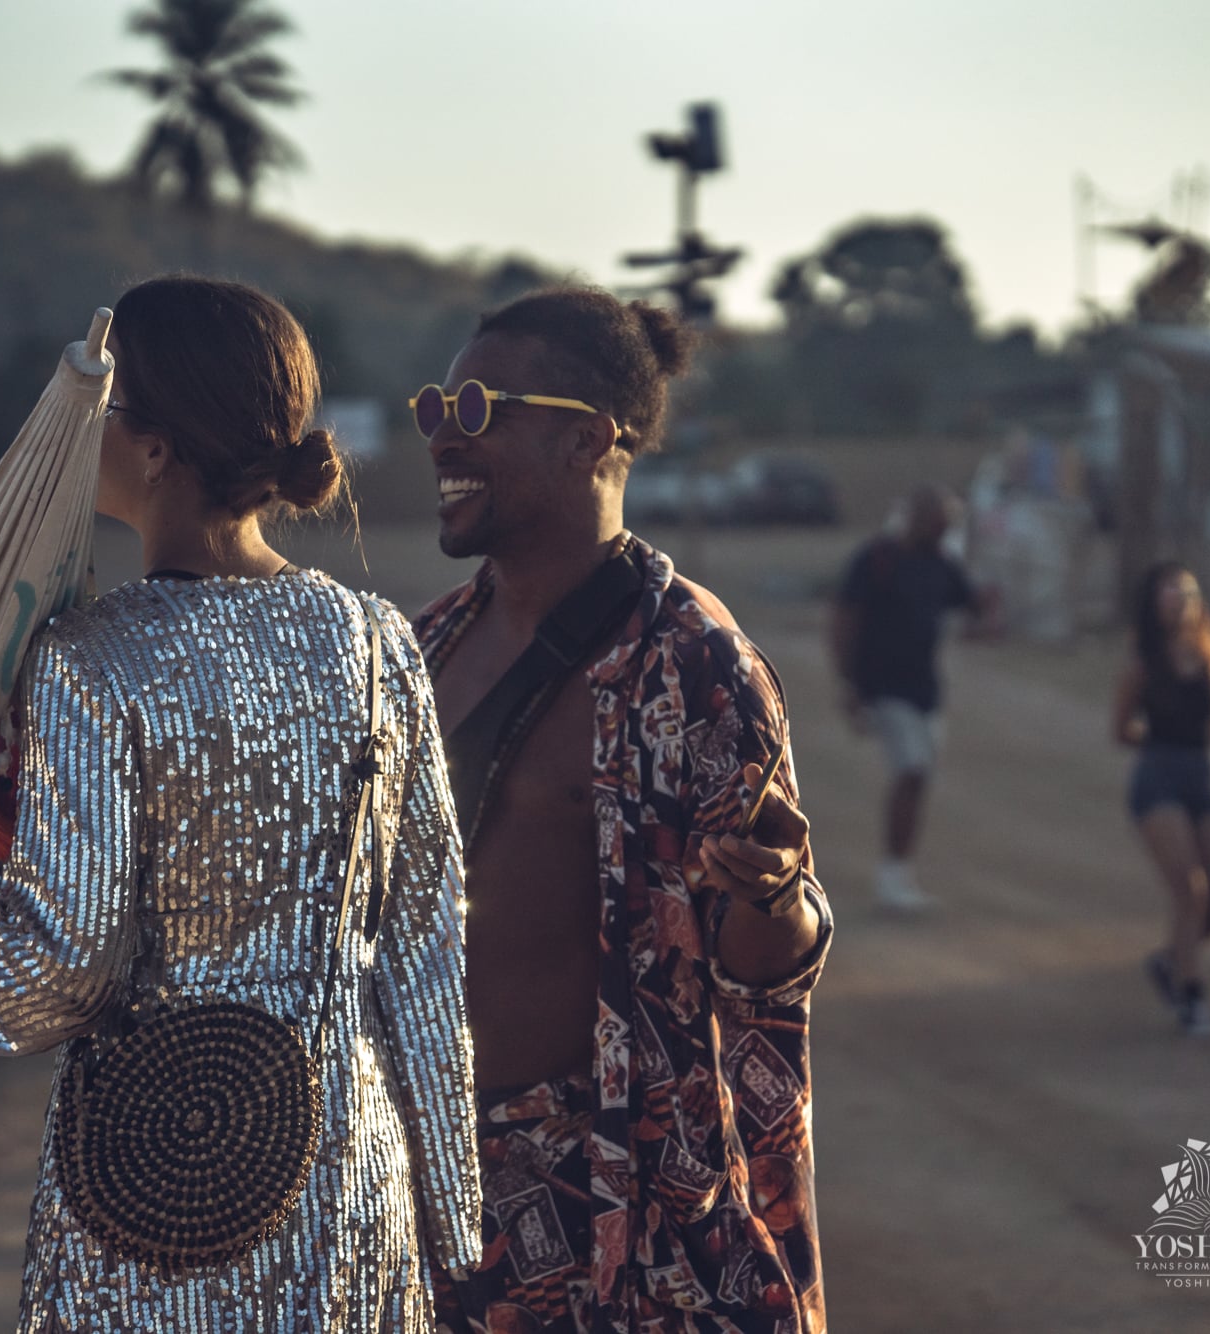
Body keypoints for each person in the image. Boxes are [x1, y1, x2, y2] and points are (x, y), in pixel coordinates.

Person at [0, 276, 481, 1330]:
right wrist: (455, 1225)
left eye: (102, 411)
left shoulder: (89, 660)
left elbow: (59, 964)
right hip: (353, 1176)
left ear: (154, 448)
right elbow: (425, 947)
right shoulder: (379, 640)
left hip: (160, 1187)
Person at [412, 287, 832, 1334]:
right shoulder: (423, 649)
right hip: (424, 1198)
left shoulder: (691, 666)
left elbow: (760, 968)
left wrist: (773, 894)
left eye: (476, 411)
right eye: (434, 408)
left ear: (586, 439)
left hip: (610, 1209)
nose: (442, 437)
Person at [1113, 561, 1210, 1038]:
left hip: (1204, 777)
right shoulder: (1142, 661)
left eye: (1188, 593)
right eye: (1170, 593)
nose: (1180, 601)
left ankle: (1170, 961)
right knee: (1190, 891)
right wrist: (1161, 741)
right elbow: (1120, 730)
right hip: (1157, 778)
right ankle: (1193, 995)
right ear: (1154, 604)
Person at [830, 484, 984, 910]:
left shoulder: (941, 564)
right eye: (938, 522)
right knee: (912, 770)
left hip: (925, 691)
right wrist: (848, 684)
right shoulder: (877, 560)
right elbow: (845, 619)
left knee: (920, 776)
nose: (942, 530)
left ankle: (900, 872)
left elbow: (972, 607)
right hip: (883, 688)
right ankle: (893, 877)